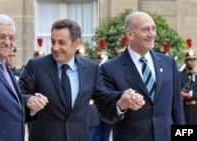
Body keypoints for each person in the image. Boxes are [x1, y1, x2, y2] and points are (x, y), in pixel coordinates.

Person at [19, 18, 145, 141]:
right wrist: (29, 101)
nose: (55, 47)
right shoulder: (35, 67)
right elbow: (18, 96)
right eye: (53, 42)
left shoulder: (91, 68)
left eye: (61, 43)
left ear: (77, 43)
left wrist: (122, 101)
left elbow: (103, 98)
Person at [100, 11, 185, 141]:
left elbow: (178, 109)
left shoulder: (169, 63)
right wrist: (121, 104)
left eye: (153, 29)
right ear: (130, 34)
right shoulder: (109, 69)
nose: (152, 34)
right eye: (146, 30)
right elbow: (105, 114)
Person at [179, 49, 197, 124]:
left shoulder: (196, 76)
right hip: (183, 109)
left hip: (195, 110)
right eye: (189, 60)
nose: (192, 62)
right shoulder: (179, 75)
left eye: (194, 60)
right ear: (185, 61)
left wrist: (190, 94)